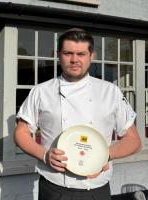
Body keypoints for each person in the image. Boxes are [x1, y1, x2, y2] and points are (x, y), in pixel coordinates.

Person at [15, 28, 142, 200]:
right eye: (68, 53)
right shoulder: (41, 91)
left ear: (92, 56)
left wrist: (105, 155)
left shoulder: (110, 91)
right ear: (58, 54)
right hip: (53, 188)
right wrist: (44, 155)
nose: (74, 60)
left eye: (81, 54)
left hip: (97, 189)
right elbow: (21, 132)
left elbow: (134, 140)